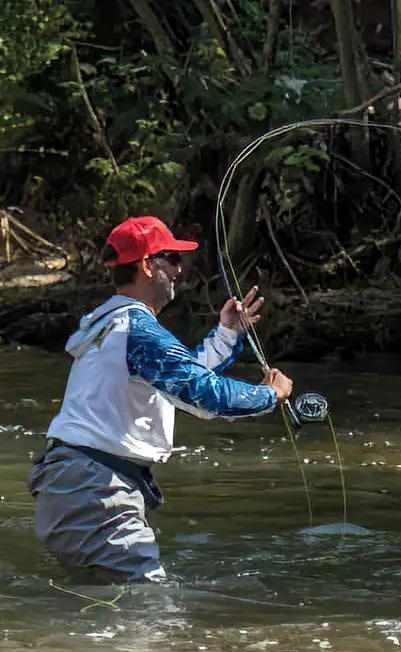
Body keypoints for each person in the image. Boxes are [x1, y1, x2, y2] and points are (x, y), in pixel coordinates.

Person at [27, 216, 293, 584]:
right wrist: (270, 394)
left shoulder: (109, 324)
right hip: (94, 489)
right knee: (148, 609)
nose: (180, 269)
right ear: (146, 266)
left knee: (115, 609)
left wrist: (227, 333)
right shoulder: (136, 329)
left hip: (75, 487)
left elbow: (176, 378)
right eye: (171, 257)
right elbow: (203, 396)